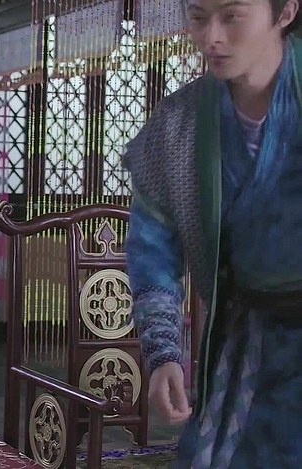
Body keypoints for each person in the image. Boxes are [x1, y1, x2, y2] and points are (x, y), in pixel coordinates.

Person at [124, 0, 302, 466]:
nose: (211, 38)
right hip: (240, 346)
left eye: (232, 16)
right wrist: (163, 352)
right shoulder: (177, 123)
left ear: (285, 12)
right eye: (199, 17)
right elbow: (152, 249)